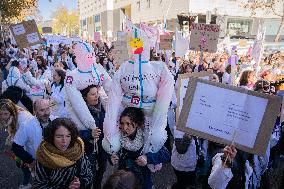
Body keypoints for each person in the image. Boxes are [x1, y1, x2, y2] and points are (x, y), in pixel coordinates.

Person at [110, 107, 170, 189]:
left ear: (137, 123)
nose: (124, 128)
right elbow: (113, 152)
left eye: (128, 124)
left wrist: (147, 158)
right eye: (122, 123)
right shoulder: (118, 137)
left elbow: (166, 154)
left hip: (143, 182)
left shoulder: (146, 137)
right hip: (124, 182)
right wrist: (113, 157)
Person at [33, 118, 93, 189]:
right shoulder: (44, 155)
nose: (64, 141)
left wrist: (80, 183)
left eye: (68, 136)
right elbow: (39, 185)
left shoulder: (78, 151)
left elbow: (88, 175)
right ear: (51, 137)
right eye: (59, 136)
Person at [0, 99, 41, 189]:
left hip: (29, 148)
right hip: (23, 146)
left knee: (26, 166)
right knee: (24, 165)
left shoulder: (22, 119)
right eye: (0, 114)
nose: (3, 117)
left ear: (11, 112)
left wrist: (26, 158)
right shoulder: (14, 114)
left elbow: (26, 139)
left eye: (5, 114)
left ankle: (28, 183)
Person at [80, 84, 107, 189]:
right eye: (92, 94)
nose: (96, 96)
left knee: (101, 170)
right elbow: (75, 133)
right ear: (85, 97)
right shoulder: (81, 112)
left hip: (102, 148)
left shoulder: (102, 107)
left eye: (97, 93)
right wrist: (89, 134)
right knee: (89, 175)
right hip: (88, 149)